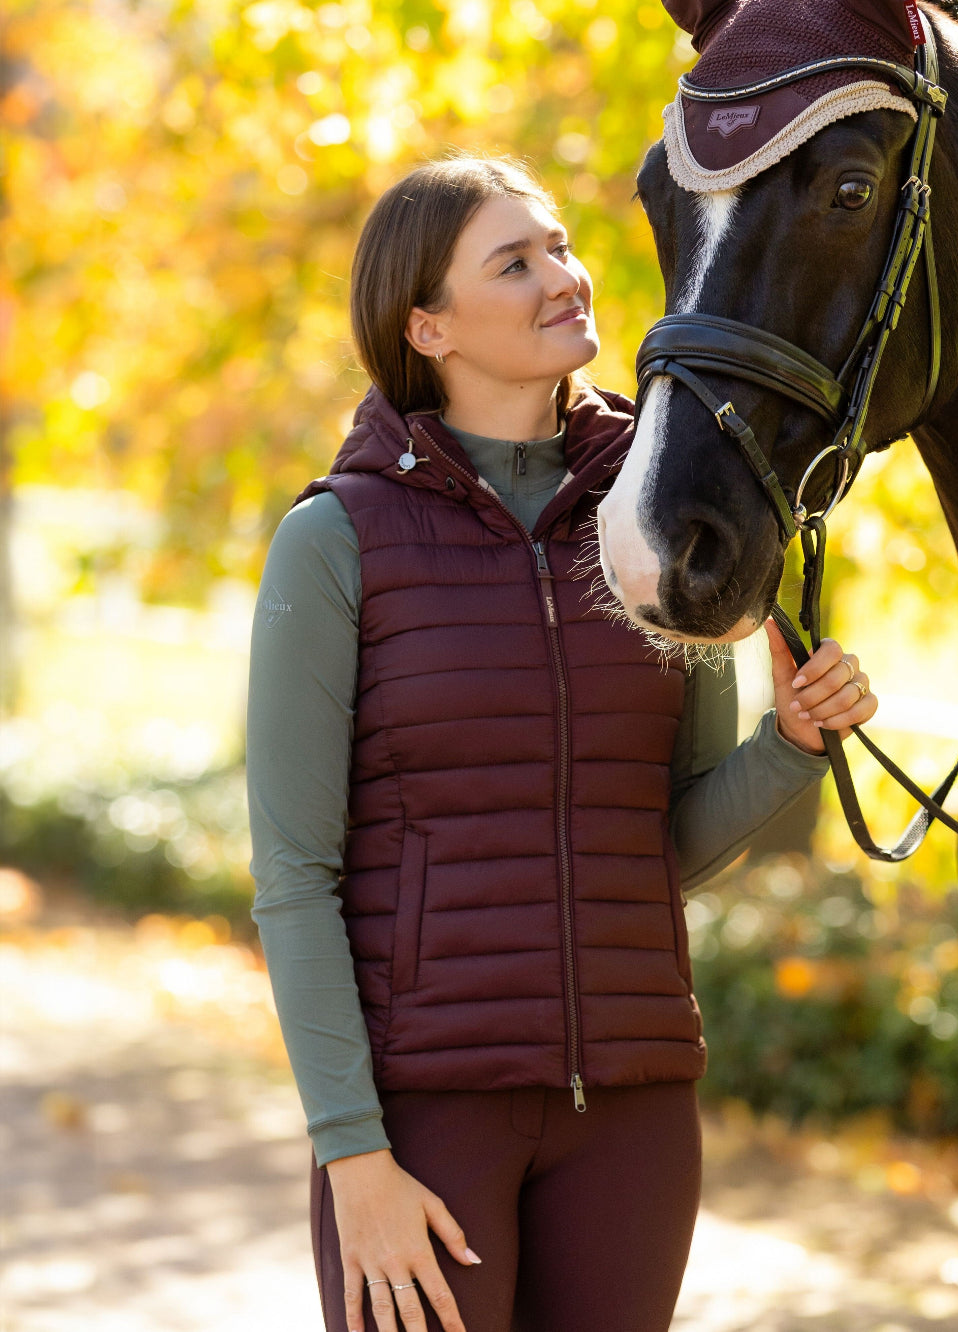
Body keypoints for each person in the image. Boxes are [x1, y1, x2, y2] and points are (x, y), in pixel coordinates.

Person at [247, 154, 879, 1332]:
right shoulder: (338, 540)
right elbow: (295, 879)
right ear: (425, 324)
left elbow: (660, 839)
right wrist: (353, 1163)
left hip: (635, 1121)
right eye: (515, 261)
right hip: (428, 1120)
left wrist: (790, 744)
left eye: (561, 247)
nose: (565, 278)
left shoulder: (650, 515)